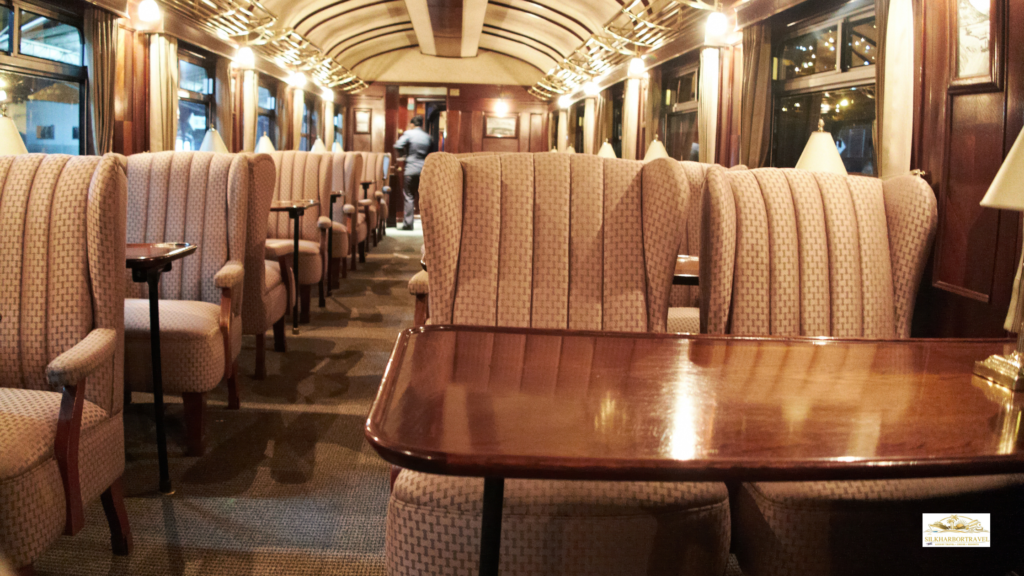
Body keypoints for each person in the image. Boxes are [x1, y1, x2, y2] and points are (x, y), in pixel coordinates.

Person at [393, 115, 432, 230]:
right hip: (424, 170)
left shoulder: (409, 134)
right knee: (424, 197)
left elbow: (398, 145)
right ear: (421, 125)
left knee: (409, 196)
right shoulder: (427, 137)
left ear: (412, 124)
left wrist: (404, 155)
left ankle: (408, 224)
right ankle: (428, 225)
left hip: (410, 169)